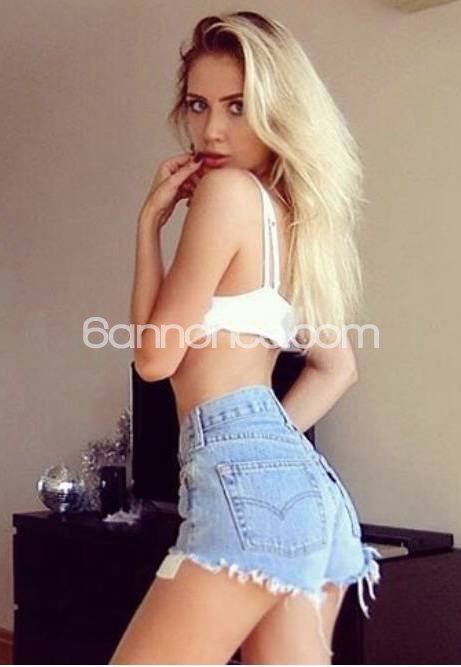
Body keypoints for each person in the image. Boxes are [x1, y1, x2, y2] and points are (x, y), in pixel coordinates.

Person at [110, 10, 381, 666]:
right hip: (309, 494)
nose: (211, 129)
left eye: (238, 106)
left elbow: (154, 358)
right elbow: (337, 367)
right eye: (198, 104)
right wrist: (267, 447)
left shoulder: (227, 193)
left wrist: (147, 227)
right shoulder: (295, 218)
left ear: (277, 110)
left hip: (245, 484)